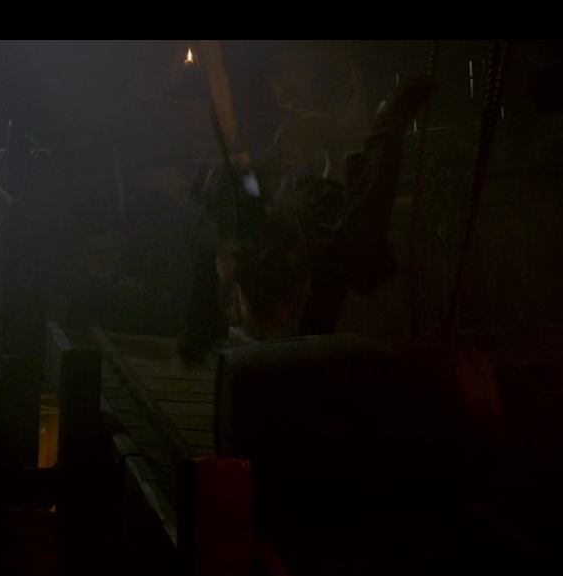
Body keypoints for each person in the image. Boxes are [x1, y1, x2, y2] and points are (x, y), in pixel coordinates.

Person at [177, 76, 438, 365]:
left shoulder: (243, 249)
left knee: (361, 233)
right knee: (361, 237)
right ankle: (386, 124)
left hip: (304, 212)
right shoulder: (320, 275)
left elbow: (239, 204)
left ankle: (386, 122)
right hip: (313, 217)